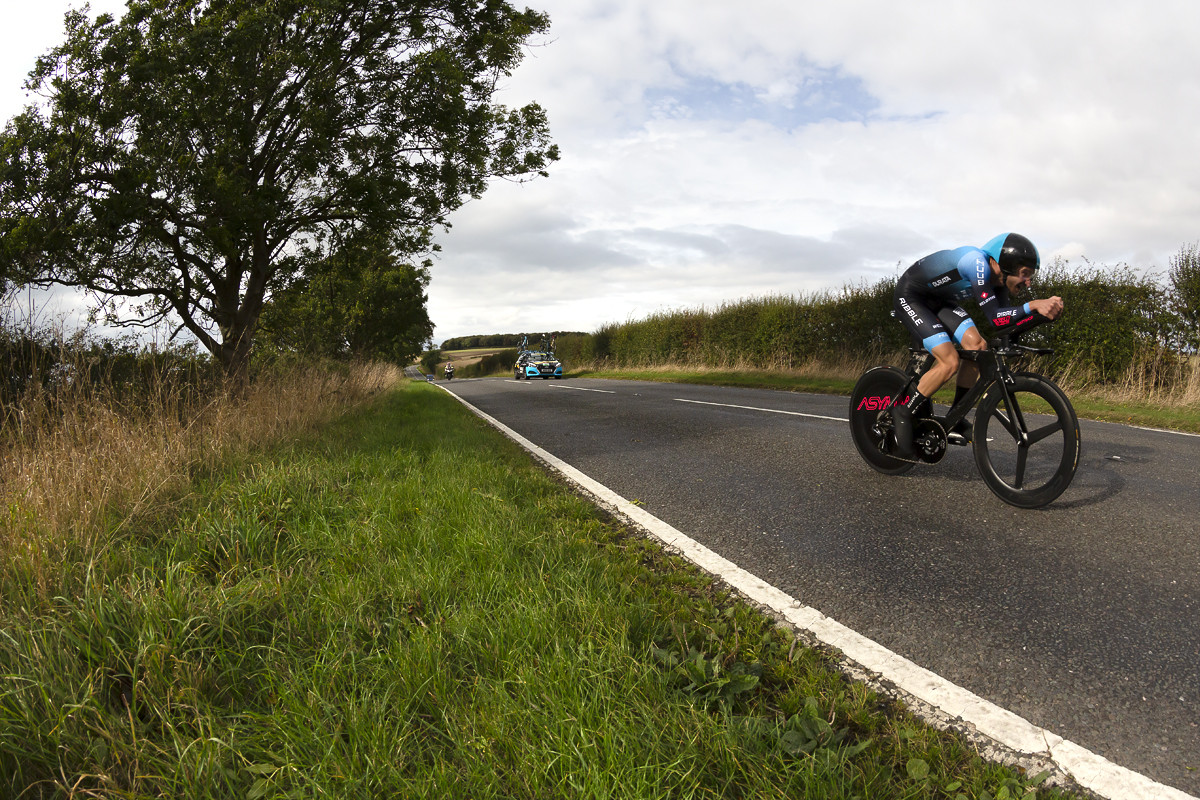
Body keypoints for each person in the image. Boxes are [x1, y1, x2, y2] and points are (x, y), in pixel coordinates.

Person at [891, 232, 1063, 455]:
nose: (1028, 282)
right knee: (950, 361)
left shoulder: (999, 282)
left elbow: (1003, 323)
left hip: (939, 300)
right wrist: (1033, 306)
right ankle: (903, 412)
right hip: (912, 296)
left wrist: (1041, 316)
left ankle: (957, 415)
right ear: (1006, 264)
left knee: (978, 347)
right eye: (1024, 274)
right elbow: (994, 316)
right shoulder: (977, 263)